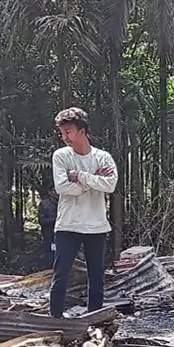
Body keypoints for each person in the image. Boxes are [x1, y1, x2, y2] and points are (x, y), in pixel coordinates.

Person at [50, 107, 117, 319]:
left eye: (68, 131)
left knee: (96, 276)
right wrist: (92, 180)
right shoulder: (61, 156)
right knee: (61, 275)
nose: (65, 137)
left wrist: (80, 176)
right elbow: (62, 187)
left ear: (83, 131)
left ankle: (94, 319)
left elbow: (110, 185)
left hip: (96, 225)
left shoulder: (103, 157)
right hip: (68, 224)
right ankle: (55, 318)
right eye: (62, 132)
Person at [39, 190, 58, 266]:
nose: (56, 193)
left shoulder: (63, 202)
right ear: (50, 192)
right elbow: (42, 221)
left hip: (62, 233)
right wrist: (55, 220)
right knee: (50, 252)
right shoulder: (44, 204)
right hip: (49, 233)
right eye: (54, 191)